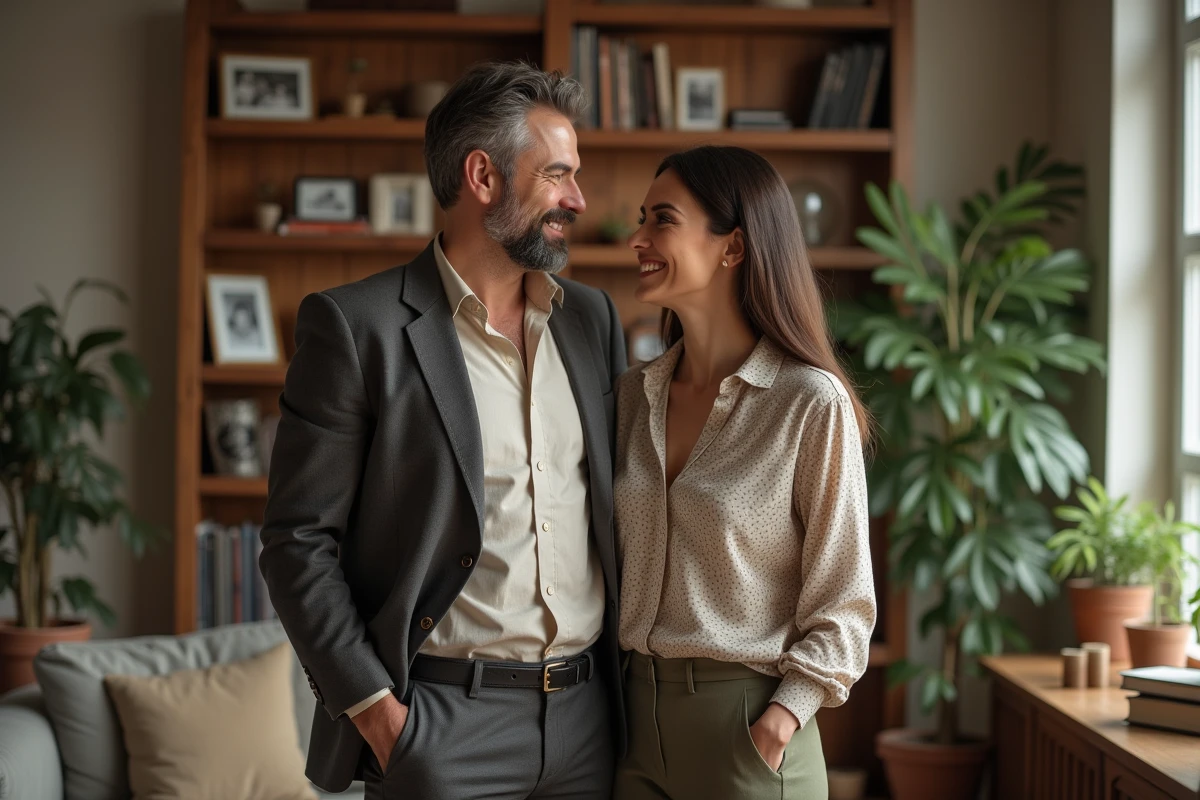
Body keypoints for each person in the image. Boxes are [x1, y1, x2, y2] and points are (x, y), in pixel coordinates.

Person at [259, 61, 627, 799]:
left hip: (591, 722)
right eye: (556, 175)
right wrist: (381, 719)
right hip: (441, 728)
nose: (577, 200)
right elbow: (297, 542)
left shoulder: (592, 320)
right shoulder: (356, 328)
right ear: (482, 176)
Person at [613, 146, 876, 800]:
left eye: (661, 220)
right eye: (641, 219)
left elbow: (845, 599)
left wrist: (779, 722)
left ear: (732, 247)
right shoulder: (630, 396)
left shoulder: (809, 403)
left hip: (747, 729)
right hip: (630, 725)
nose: (637, 239)